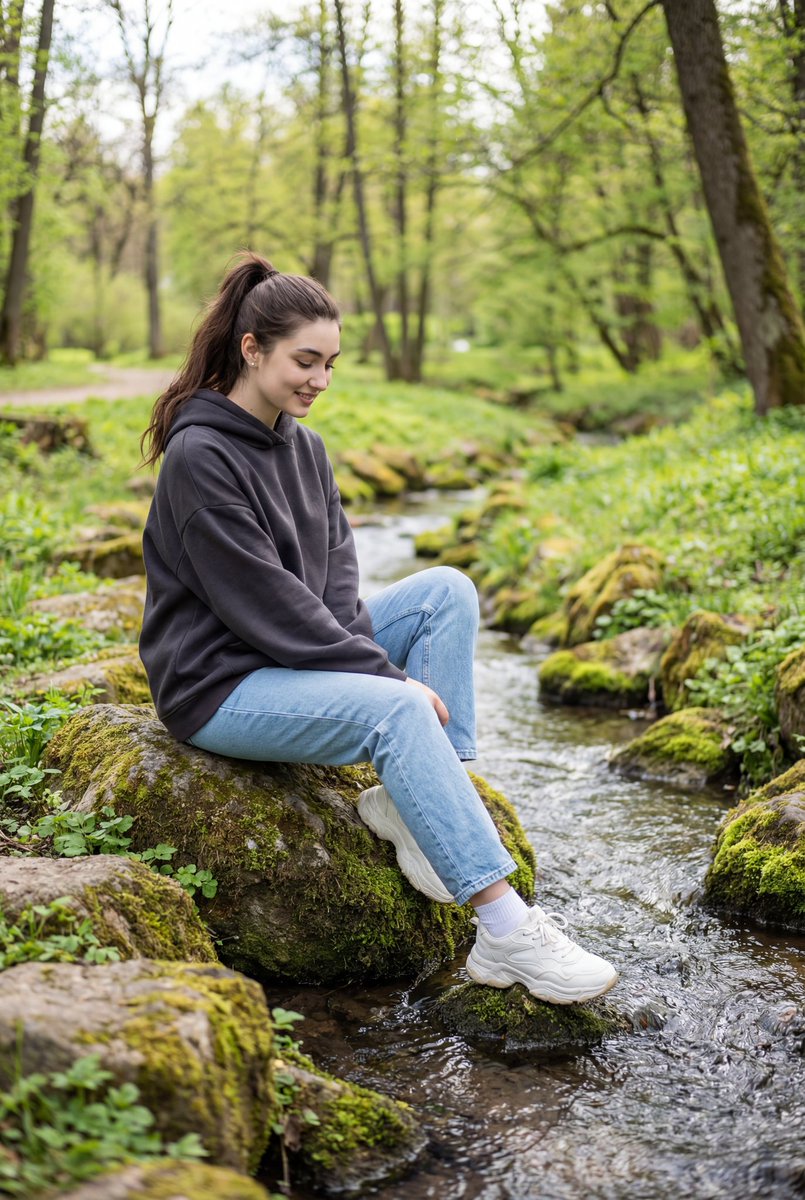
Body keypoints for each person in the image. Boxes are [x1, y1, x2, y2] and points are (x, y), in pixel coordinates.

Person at [138, 252, 618, 1006]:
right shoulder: (199, 456)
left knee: (444, 591)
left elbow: (333, 580)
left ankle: (418, 798)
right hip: (220, 684)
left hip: (290, 654)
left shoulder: (305, 446)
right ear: (251, 348)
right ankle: (503, 932)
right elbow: (263, 603)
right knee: (398, 709)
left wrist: (365, 660)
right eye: (305, 361)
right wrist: (387, 681)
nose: (319, 381)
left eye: (330, 364)